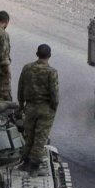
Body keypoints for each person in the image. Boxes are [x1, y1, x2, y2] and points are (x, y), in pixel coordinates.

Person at [16, 42, 60, 170]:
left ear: (37, 54)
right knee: (41, 137)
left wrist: (21, 104)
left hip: (30, 107)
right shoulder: (52, 72)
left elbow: (21, 87)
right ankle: (34, 163)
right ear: (49, 56)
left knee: (28, 134)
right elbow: (54, 93)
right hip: (46, 108)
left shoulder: (27, 68)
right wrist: (53, 107)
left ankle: (25, 159)